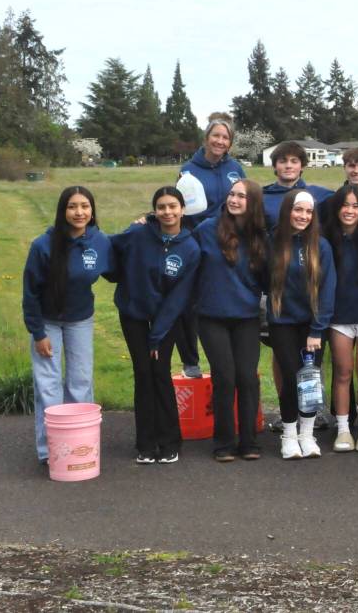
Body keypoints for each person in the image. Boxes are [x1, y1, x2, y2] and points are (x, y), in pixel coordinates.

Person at [22, 186, 113, 464]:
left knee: (80, 383)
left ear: (92, 210)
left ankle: (79, 445)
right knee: (48, 386)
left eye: (85, 206)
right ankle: (50, 452)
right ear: (63, 211)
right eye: (72, 206)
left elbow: (118, 265)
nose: (79, 212)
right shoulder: (42, 246)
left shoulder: (100, 242)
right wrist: (38, 333)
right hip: (46, 322)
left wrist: (145, 223)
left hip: (80, 320)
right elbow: (30, 293)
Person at [110, 187, 200, 465]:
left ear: (182, 209)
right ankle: (146, 444)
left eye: (173, 206)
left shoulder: (190, 248)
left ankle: (170, 441)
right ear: (154, 211)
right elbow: (110, 247)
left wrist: (156, 336)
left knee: (160, 373)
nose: (167, 212)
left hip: (166, 319)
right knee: (142, 373)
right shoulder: (138, 234)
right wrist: (117, 277)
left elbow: (179, 298)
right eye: (161, 207)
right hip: (134, 314)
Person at [193, 179, 267, 462]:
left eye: (242, 196)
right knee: (224, 377)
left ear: (253, 203)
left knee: (247, 378)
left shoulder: (260, 237)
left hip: (246, 316)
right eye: (232, 194)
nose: (234, 200)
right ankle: (224, 442)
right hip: (211, 315)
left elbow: (268, 279)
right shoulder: (206, 230)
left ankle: (248, 440)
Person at [175, 113, 248, 378]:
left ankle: (231, 353)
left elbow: (245, 199)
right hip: (197, 240)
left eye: (225, 137)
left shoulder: (235, 169)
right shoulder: (189, 169)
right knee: (190, 299)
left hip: (230, 240)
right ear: (206, 138)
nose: (220, 141)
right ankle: (190, 361)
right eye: (215, 135)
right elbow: (182, 207)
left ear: (230, 143)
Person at [267, 190, 337, 459]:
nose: (303, 216)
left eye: (309, 212)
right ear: (287, 211)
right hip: (282, 322)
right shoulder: (272, 241)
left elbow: (328, 289)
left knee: (308, 381)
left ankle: (307, 435)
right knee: (289, 377)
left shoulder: (321, 246)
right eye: (298, 210)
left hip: (313, 328)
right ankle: (289, 435)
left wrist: (317, 330)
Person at [322, 185, 358, 453]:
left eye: (355, 206)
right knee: (343, 372)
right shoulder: (326, 239)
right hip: (338, 317)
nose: (350, 210)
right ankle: (344, 429)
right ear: (337, 209)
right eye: (345, 205)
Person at [263, 141, 333, 230]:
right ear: (274, 166)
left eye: (294, 161)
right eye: (283, 161)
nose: (288, 166)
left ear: (302, 166)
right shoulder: (262, 197)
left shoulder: (322, 195)